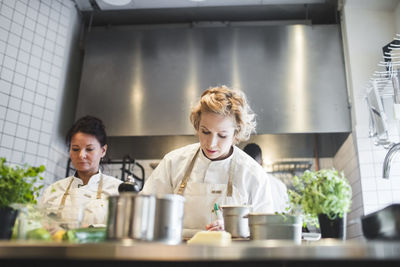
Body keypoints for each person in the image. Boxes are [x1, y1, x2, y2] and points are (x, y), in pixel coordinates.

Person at [141, 86, 275, 238]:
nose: (211, 143)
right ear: (197, 125)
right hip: (179, 257)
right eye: (205, 132)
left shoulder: (252, 175)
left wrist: (237, 228)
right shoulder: (173, 163)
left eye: (222, 135)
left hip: (231, 259)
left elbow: (265, 230)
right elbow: (144, 213)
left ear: (236, 134)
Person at [39, 115, 122, 226]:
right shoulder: (53, 190)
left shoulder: (118, 191)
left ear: (103, 151)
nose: (81, 155)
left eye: (89, 149)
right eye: (75, 149)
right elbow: (38, 230)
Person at [243, 143, 289, 213]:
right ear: (262, 161)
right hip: (279, 223)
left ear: (243, 162)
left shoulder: (244, 184)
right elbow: (287, 210)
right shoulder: (279, 184)